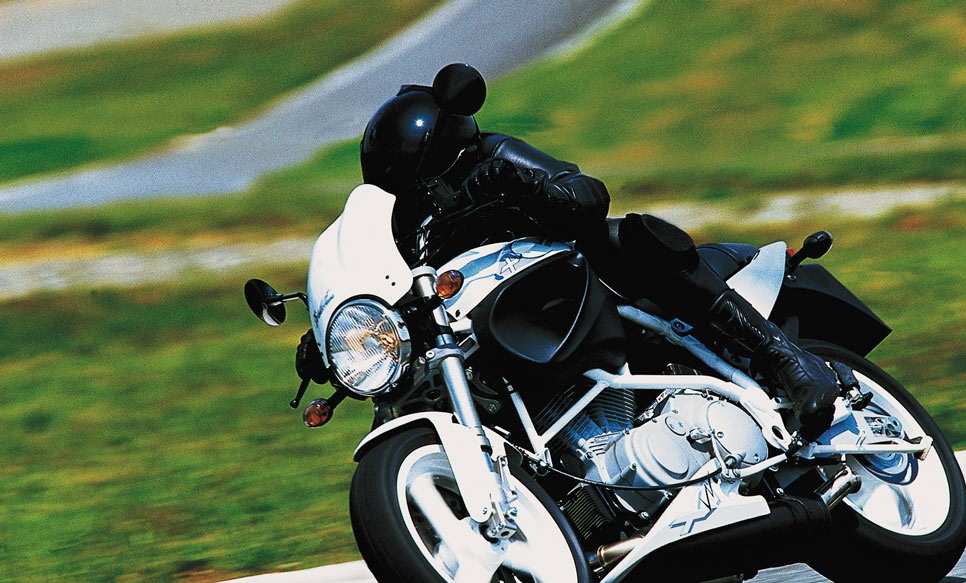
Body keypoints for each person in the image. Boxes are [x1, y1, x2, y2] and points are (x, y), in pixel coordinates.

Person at [304, 63, 840, 438]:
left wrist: (526, 186)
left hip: (570, 280)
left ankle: (786, 359)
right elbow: (383, 278)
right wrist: (333, 334)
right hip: (488, 314)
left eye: (430, 186)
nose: (431, 199)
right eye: (416, 193)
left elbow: (586, 195)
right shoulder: (407, 227)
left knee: (630, 237)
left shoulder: (494, 155)